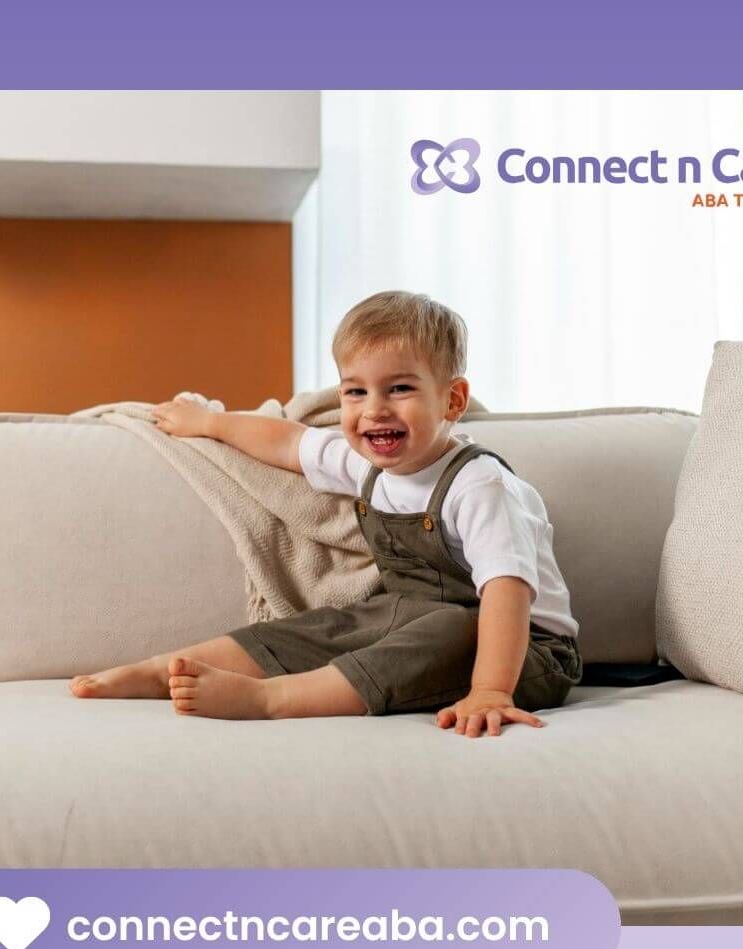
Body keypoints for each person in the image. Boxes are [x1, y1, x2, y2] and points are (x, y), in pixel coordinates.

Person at [70, 290, 581, 738]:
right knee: (337, 623)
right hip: (416, 612)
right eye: (356, 391)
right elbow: (289, 443)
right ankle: (161, 671)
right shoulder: (368, 466)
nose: (374, 409)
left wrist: (491, 691)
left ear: (452, 400)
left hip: (524, 653)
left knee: (449, 628)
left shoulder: (478, 484)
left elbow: (506, 591)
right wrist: (211, 422)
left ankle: (272, 700)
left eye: (399, 388)